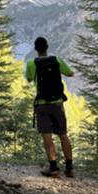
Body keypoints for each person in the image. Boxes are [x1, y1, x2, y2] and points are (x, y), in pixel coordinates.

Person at [25, 37, 75, 178]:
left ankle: (53, 169)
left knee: (47, 136)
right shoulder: (57, 60)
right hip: (58, 104)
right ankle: (69, 168)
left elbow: (28, 79)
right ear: (47, 47)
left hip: (42, 105)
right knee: (63, 134)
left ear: (36, 49)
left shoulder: (31, 63)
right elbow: (70, 74)